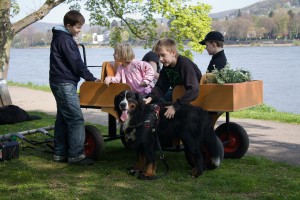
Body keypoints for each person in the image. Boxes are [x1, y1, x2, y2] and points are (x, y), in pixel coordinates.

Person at [49, 10, 100, 166]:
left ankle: (60, 153)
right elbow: (76, 63)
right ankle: (76, 155)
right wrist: (92, 78)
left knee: (63, 118)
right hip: (64, 83)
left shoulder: (62, 38)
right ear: (68, 25)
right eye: (78, 27)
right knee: (75, 118)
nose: (79, 30)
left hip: (59, 81)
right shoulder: (65, 40)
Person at [144, 38, 202, 119]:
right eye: (158, 56)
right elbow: (160, 87)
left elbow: (193, 90)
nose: (160, 59)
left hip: (193, 101)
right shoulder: (166, 67)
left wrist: (175, 107)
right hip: (179, 97)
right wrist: (150, 97)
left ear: (173, 53)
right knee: (154, 105)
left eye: (163, 55)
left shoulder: (184, 64)